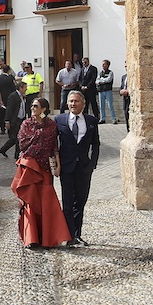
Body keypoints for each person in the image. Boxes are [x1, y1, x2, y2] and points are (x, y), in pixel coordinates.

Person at [11, 97, 72, 249]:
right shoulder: (26, 123)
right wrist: (37, 137)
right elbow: (22, 143)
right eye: (32, 105)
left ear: (44, 109)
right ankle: (31, 238)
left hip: (45, 167)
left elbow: (54, 146)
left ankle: (48, 237)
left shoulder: (51, 125)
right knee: (30, 200)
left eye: (36, 106)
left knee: (46, 201)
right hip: (30, 166)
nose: (33, 108)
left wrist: (57, 165)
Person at [55, 91, 101, 247]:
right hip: (66, 167)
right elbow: (54, 144)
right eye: (70, 101)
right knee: (67, 202)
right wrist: (55, 164)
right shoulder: (59, 119)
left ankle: (77, 234)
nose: (73, 104)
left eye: (76, 101)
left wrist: (92, 164)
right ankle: (68, 235)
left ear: (83, 103)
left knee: (80, 201)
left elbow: (96, 144)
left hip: (83, 168)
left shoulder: (91, 121)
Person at [0, 80, 28, 159]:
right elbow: (9, 109)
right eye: (25, 87)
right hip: (15, 120)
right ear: (20, 88)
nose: (26, 89)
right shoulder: (13, 96)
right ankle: (17, 155)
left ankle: (3, 149)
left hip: (21, 119)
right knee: (17, 138)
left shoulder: (22, 96)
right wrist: (7, 120)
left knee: (16, 138)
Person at [119, 64, 131, 131]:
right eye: (125, 66)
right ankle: (128, 130)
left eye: (127, 66)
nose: (126, 68)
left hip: (130, 99)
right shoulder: (124, 77)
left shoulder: (133, 76)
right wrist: (121, 91)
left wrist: (128, 91)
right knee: (126, 115)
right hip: (125, 99)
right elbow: (121, 87)